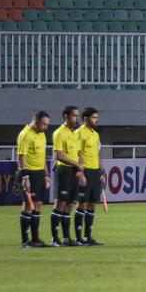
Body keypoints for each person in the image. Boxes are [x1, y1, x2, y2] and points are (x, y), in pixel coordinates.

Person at [16, 111, 51, 248]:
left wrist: (46, 175)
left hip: (39, 174)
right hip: (28, 173)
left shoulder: (41, 134)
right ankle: (25, 241)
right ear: (35, 122)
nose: (46, 127)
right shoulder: (25, 134)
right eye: (44, 124)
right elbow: (21, 157)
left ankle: (35, 239)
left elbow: (42, 157)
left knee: (38, 206)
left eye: (47, 124)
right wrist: (25, 177)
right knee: (28, 206)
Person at [49, 105, 82, 246]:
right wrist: (76, 164)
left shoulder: (74, 133)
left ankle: (67, 238)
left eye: (77, 115)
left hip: (74, 171)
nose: (76, 118)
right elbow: (59, 155)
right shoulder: (59, 133)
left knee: (70, 205)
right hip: (64, 170)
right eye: (74, 115)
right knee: (60, 203)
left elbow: (79, 153)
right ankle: (55, 238)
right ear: (66, 116)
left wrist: (79, 167)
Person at [73, 107, 104, 246]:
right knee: (82, 203)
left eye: (97, 117)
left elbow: (97, 154)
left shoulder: (95, 134)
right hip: (85, 171)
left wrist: (101, 173)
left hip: (95, 172)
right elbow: (77, 153)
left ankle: (88, 237)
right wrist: (80, 172)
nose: (96, 120)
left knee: (92, 204)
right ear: (86, 119)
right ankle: (79, 238)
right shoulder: (79, 133)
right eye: (94, 117)